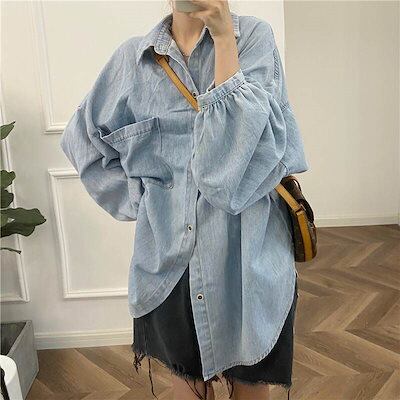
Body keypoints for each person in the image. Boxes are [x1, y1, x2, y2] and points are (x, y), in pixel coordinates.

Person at [60, 0, 309, 399]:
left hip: (247, 260)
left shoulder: (253, 40)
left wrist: (224, 39)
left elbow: (223, 177)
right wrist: (144, 200)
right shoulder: (132, 60)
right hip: (170, 266)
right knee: (187, 390)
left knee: (252, 392)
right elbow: (82, 141)